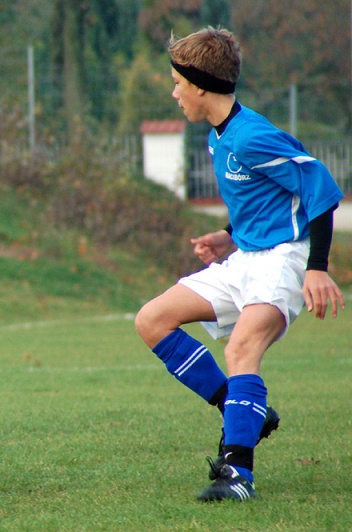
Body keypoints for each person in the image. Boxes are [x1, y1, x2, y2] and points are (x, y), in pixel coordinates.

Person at [135, 27, 345, 502]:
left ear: (201, 86)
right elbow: (262, 195)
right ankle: (246, 409)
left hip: (282, 261)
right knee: (152, 320)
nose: (174, 93)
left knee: (242, 348)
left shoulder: (252, 136)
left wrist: (317, 266)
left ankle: (237, 474)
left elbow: (319, 188)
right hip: (244, 259)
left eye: (177, 82)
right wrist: (227, 236)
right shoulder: (220, 135)